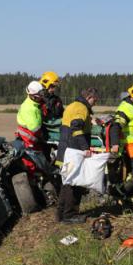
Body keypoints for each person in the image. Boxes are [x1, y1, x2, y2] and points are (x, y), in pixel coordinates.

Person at [56, 88, 100, 223]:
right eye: (95, 100)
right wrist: (85, 148)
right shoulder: (81, 108)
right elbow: (76, 128)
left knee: (67, 182)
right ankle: (69, 215)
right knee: (74, 183)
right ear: (89, 97)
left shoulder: (73, 106)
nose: (95, 103)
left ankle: (61, 214)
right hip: (73, 150)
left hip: (66, 149)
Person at [16, 81, 45, 174]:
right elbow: (35, 128)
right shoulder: (29, 108)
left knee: (37, 160)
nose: (42, 96)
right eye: (40, 94)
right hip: (28, 139)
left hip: (31, 139)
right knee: (30, 162)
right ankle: (31, 181)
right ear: (33, 95)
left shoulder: (34, 104)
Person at [39, 71, 64, 149]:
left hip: (55, 130)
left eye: (55, 87)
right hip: (43, 132)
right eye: (52, 86)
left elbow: (62, 113)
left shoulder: (56, 99)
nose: (54, 89)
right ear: (46, 85)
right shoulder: (37, 99)